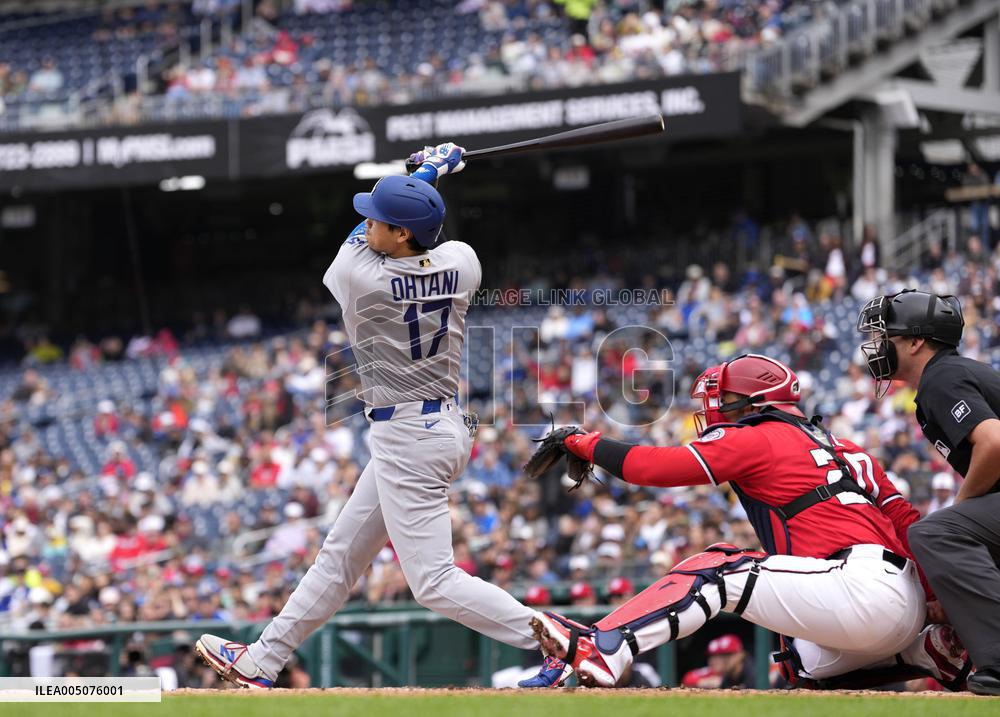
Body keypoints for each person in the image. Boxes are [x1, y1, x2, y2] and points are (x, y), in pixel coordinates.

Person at [195, 143, 545, 688]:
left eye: (378, 219)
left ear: (402, 234)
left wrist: (427, 170)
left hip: (410, 433)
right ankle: (264, 659)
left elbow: (360, 243)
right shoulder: (464, 262)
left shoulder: (363, 278)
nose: (367, 222)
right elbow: (422, 237)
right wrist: (424, 181)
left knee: (432, 582)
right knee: (339, 557)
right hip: (437, 426)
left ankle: (559, 640)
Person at [520, 354, 968, 689]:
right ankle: (922, 652)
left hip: (858, 586)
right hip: (897, 596)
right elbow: (908, 522)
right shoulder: (846, 447)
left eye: (723, 399)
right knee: (798, 660)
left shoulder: (758, 436)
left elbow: (650, 469)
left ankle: (607, 645)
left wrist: (583, 442)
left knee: (717, 568)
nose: (714, 408)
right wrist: (934, 598)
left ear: (753, 401)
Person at [858, 289, 1000, 696]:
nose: (878, 346)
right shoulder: (949, 375)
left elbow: (994, 443)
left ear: (916, 341)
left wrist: (960, 511)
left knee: (936, 532)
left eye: (888, 336)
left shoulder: (942, 376)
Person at [681, 633, 755, 689]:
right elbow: (688, 678)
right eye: (714, 656)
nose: (718, 660)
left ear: (740, 655)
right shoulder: (725, 673)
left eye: (726, 655)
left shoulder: (754, 671)